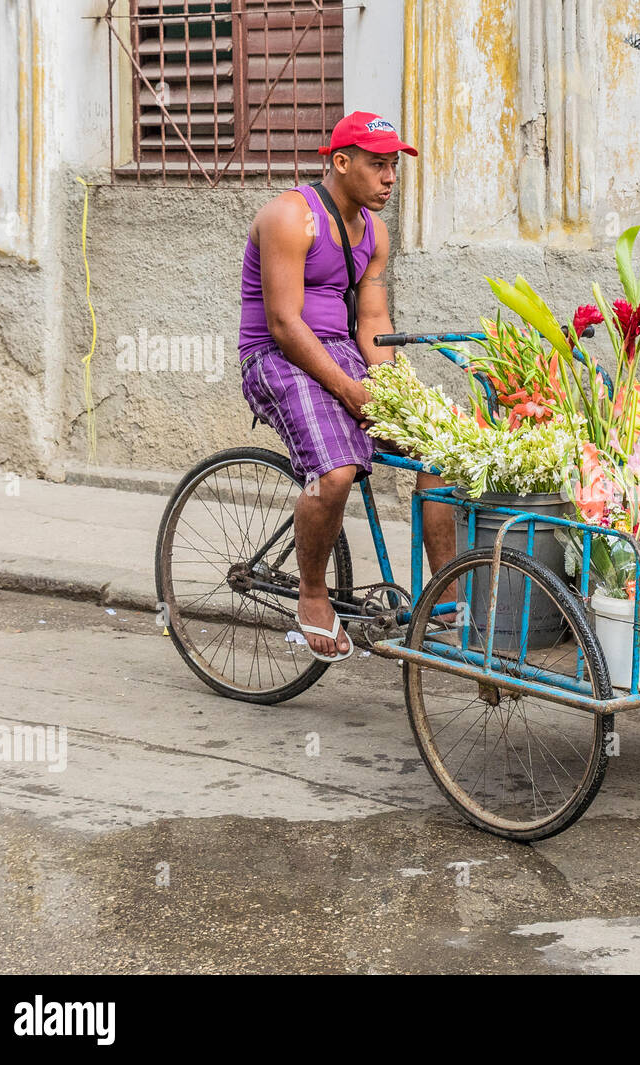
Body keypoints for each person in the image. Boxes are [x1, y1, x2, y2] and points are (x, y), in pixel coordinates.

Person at [238, 111, 456, 662]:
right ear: (341, 162)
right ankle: (312, 596)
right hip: (278, 357)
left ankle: (449, 602)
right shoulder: (290, 217)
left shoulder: (374, 232)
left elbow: (373, 322)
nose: (389, 178)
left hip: (340, 354)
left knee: (442, 451)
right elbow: (285, 324)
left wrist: (391, 393)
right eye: (378, 165)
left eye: (393, 167)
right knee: (333, 474)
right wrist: (346, 390)